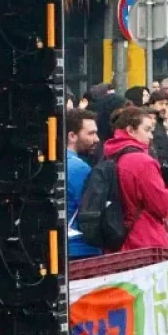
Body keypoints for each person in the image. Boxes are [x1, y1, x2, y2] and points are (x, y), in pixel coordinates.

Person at [102, 106, 168, 252]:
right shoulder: (142, 162)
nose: (151, 136)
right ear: (131, 130)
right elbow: (162, 206)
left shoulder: (110, 154)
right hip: (145, 240)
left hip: (118, 239)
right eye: (146, 130)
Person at [66, 109, 101, 259]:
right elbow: (92, 208)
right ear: (72, 136)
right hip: (82, 248)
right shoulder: (79, 168)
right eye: (91, 133)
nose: (97, 139)